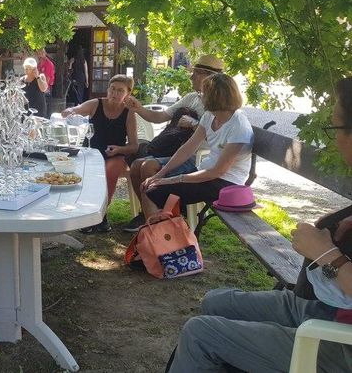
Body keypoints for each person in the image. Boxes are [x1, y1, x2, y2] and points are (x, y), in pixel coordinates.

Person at [167, 77, 352, 372]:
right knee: (216, 301)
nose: (334, 140)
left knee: (200, 334)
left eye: (335, 128)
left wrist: (326, 253)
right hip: (326, 307)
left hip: (340, 342)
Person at [122, 54, 225, 231]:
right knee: (136, 166)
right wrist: (138, 108)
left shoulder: (217, 105)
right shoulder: (192, 97)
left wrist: (193, 124)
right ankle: (152, 217)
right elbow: (160, 117)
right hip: (178, 151)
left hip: (197, 159)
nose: (191, 76)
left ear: (208, 77)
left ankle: (162, 223)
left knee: (147, 166)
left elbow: (219, 140)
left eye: (196, 73)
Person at [141, 73, 253, 219]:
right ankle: (162, 235)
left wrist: (173, 179)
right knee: (149, 186)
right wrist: (160, 174)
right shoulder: (209, 116)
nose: (200, 96)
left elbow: (218, 172)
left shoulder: (238, 125)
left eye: (203, 93)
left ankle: (158, 238)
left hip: (225, 183)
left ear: (214, 97)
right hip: (205, 173)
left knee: (151, 192)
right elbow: (188, 148)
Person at [61, 74, 138, 233]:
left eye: (120, 90)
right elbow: (75, 110)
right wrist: (70, 111)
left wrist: (119, 149)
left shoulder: (129, 113)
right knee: (83, 169)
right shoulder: (96, 104)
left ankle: (100, 215)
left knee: (110, 170)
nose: (115, 93)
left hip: (115, 153)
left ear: (128, 94)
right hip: (91, 152)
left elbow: (134, 146)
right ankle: (88, 215)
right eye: (112, 89)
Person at [37, 48, 55, 117]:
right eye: (38, 53)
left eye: (41, 53)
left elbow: (47, 78)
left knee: (46, 107)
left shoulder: (48, 64)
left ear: (45, 53)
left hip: (46, 88)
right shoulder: (39, 63)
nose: (40, 55)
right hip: (40, 86)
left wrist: (43, 89)